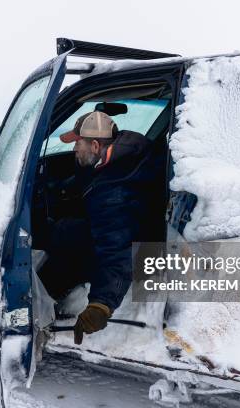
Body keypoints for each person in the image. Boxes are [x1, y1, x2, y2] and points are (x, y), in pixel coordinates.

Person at [38, 110, 162, 345]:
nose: (74, 149)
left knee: (64, 237)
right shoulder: (127, 155)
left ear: (95, 145)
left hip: (143, 254)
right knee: (66, 229)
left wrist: (101, 304)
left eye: (78, 143)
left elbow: (117, 251)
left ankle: (51, 296)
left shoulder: (114, 194)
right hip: (140, 233)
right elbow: (92, 180)